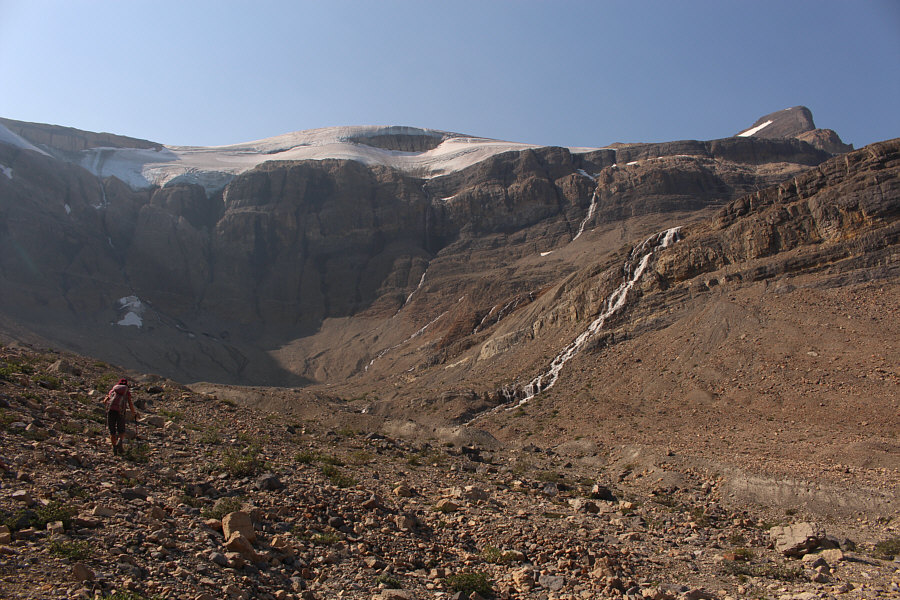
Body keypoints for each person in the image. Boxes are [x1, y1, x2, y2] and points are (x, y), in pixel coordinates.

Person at [105, 378, 137, 455]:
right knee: (121, 430)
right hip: (121, 412)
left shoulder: (113, 390)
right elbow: (130, 403)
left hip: (111, 412)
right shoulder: (126, 392)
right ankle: (120, 441)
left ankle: (114, 448)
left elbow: (105, 401)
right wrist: (133, 413)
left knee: (112, 431)